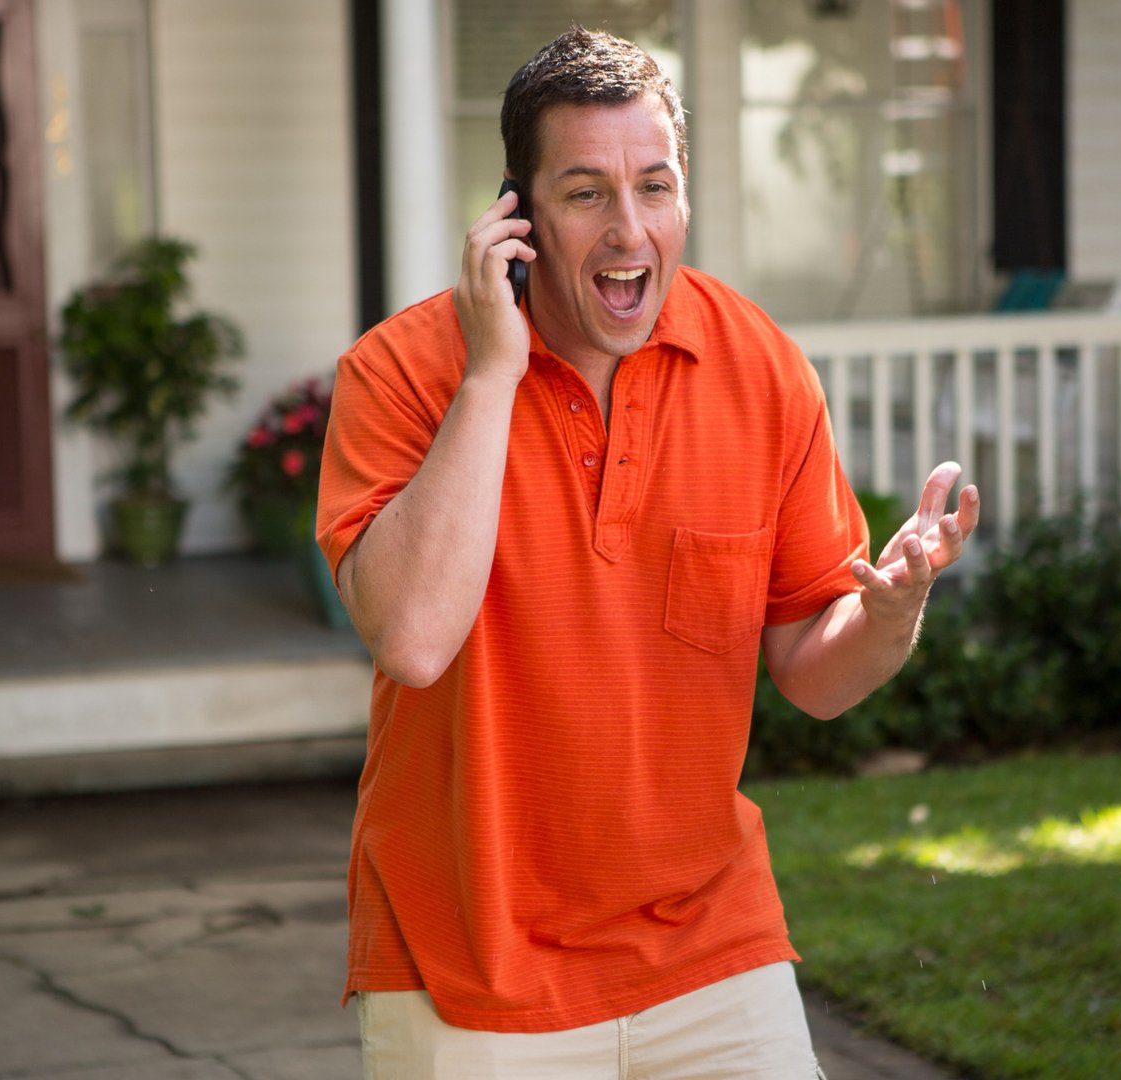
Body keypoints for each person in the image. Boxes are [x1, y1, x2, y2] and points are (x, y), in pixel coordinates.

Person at [316, 25, 979, 1079]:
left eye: (655, 186)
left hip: (709, 947)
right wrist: (494, 374)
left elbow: (812, 670)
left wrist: (890, 613)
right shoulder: (400, 373)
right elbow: (411, 638)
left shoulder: (757, 365)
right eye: (585, 193)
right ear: (516, 216)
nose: (630, 230)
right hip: (463, 964)